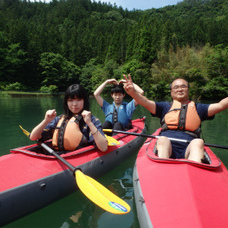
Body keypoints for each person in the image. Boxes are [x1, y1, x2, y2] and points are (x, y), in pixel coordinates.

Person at [123, 75, 228, 163]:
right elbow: (145, 102)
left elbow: (220, 105)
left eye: (183, 86)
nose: (180, 89)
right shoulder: (164, 107)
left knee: (198, 142)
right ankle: (163, 168)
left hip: (189, 147)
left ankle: (194, 171)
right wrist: (132, 93)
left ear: (188, 90)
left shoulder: (199, 108)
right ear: (171, 92)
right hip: (167, 146)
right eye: (176, 87)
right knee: (162, 140)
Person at [30, 84, 108, 153]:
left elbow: (104, 148)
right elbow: (33, 137)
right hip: (56, 156)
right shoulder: (59, 119)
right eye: (70, 100)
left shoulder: (92, 120)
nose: (74, 104)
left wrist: (89, 123)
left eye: (78, 100)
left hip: (77, 157)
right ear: (66, 102)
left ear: (84, 101)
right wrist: (46, 121)